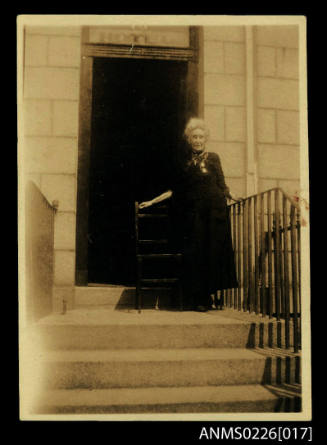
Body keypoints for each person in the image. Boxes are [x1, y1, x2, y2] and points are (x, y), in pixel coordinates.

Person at [139, 117, 239, 312]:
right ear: (189, 139)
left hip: (214, 214)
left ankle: (207, 297)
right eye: (195, 136)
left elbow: (222, 184)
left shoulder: (214, 158)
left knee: (212, 253)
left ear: (206, 138)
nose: (198, 140)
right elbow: (173, 191)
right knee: (196, 253)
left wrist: (232, 195)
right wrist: (151, 201)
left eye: (201, 136)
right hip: (195, 216)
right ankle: (197, 298)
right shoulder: (184, 163)